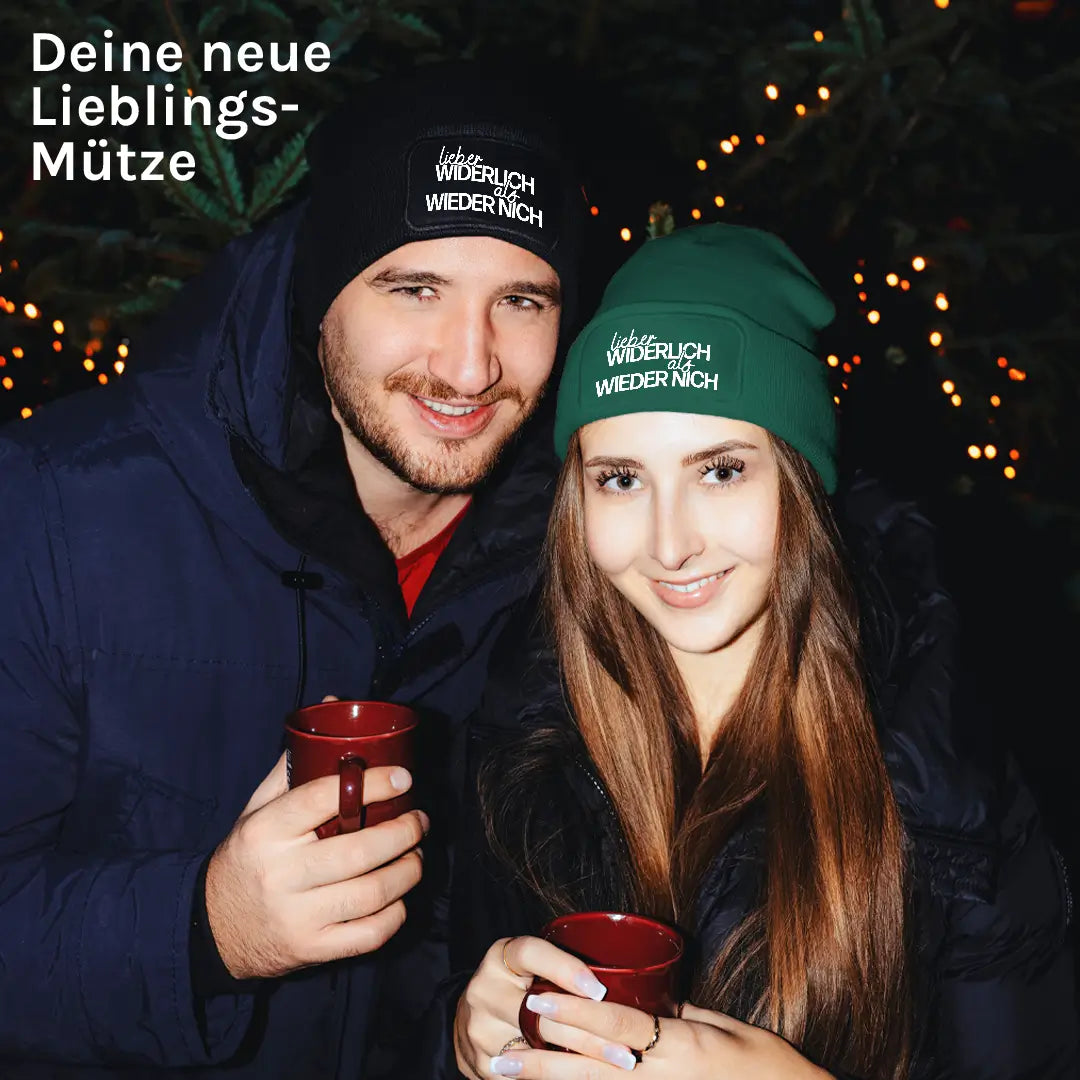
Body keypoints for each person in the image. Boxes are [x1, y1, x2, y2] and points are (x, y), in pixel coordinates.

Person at [0, 63, 584, 1077]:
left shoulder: (576, 559)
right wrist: (204, 928)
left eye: (521, 300)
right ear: (321, 293)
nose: (470, 365)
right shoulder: (52, 508)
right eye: (416, 289)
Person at [430, 225, 1078, 1079]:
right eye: (621, 479)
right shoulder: (522, 723)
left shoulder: (947, 779)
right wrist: (466, 1040)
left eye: (720, 471)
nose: (671, 545)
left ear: (799, 479)